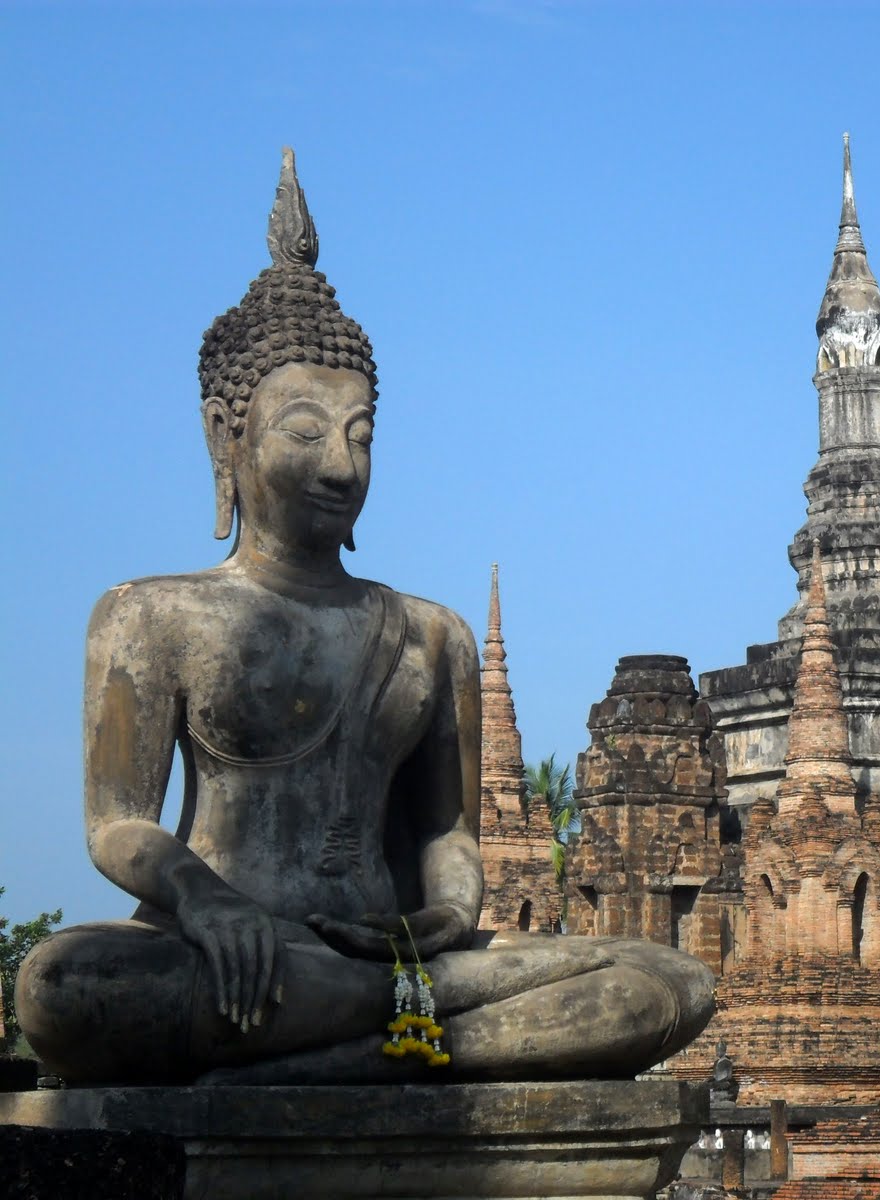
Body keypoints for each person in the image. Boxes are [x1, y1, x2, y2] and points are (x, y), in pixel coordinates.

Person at [16, 150, 713, 1085]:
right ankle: (403, 1035)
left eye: (361, 435)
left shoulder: (433, 634)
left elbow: (447, 836)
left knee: (667, 984)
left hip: (392, 952)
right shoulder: (151, 614)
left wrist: (450, 916)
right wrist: (208, 903)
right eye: (305, 432)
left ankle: (349, 1034)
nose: (341, 466)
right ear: (227, 434)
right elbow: (115, 825)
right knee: (63, 985)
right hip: (229, 951)